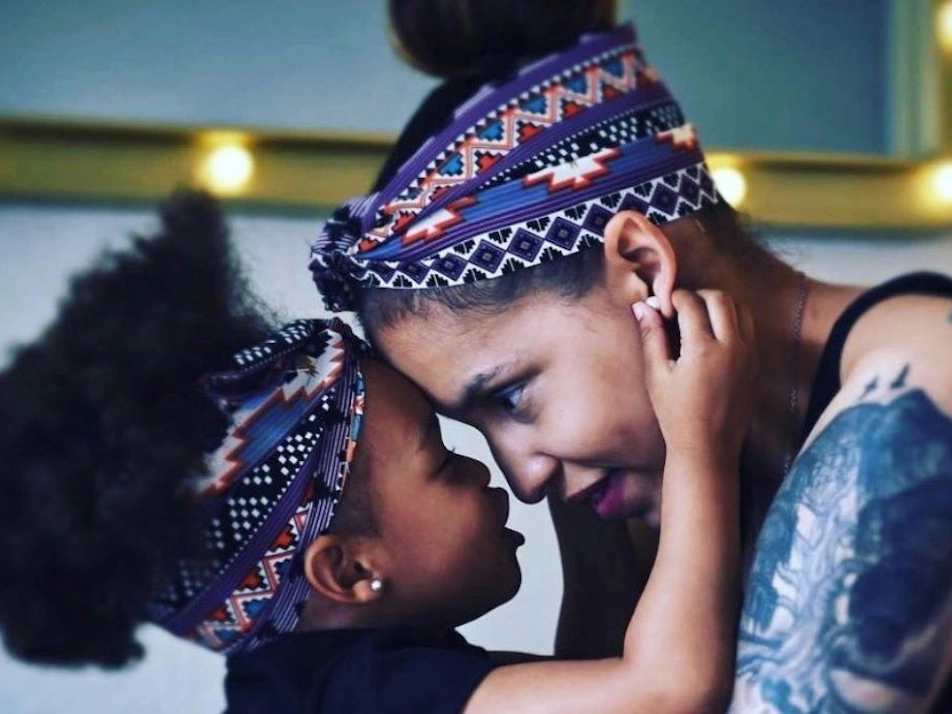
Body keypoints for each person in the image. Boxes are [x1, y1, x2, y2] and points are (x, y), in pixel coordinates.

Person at [309, 1, 952, 711]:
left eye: (512, 399)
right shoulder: (675, 478)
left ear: (644, 268)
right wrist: (594, 527)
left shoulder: (920, 393)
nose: (523, 483)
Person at [0, 191, 755, 714]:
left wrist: (567, 477)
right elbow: (664, 693)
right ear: (352, 569)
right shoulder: (363, 694)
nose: (506, 481)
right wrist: (699, 443)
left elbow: (599, 670)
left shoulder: (309, 684)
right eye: (446, 462)